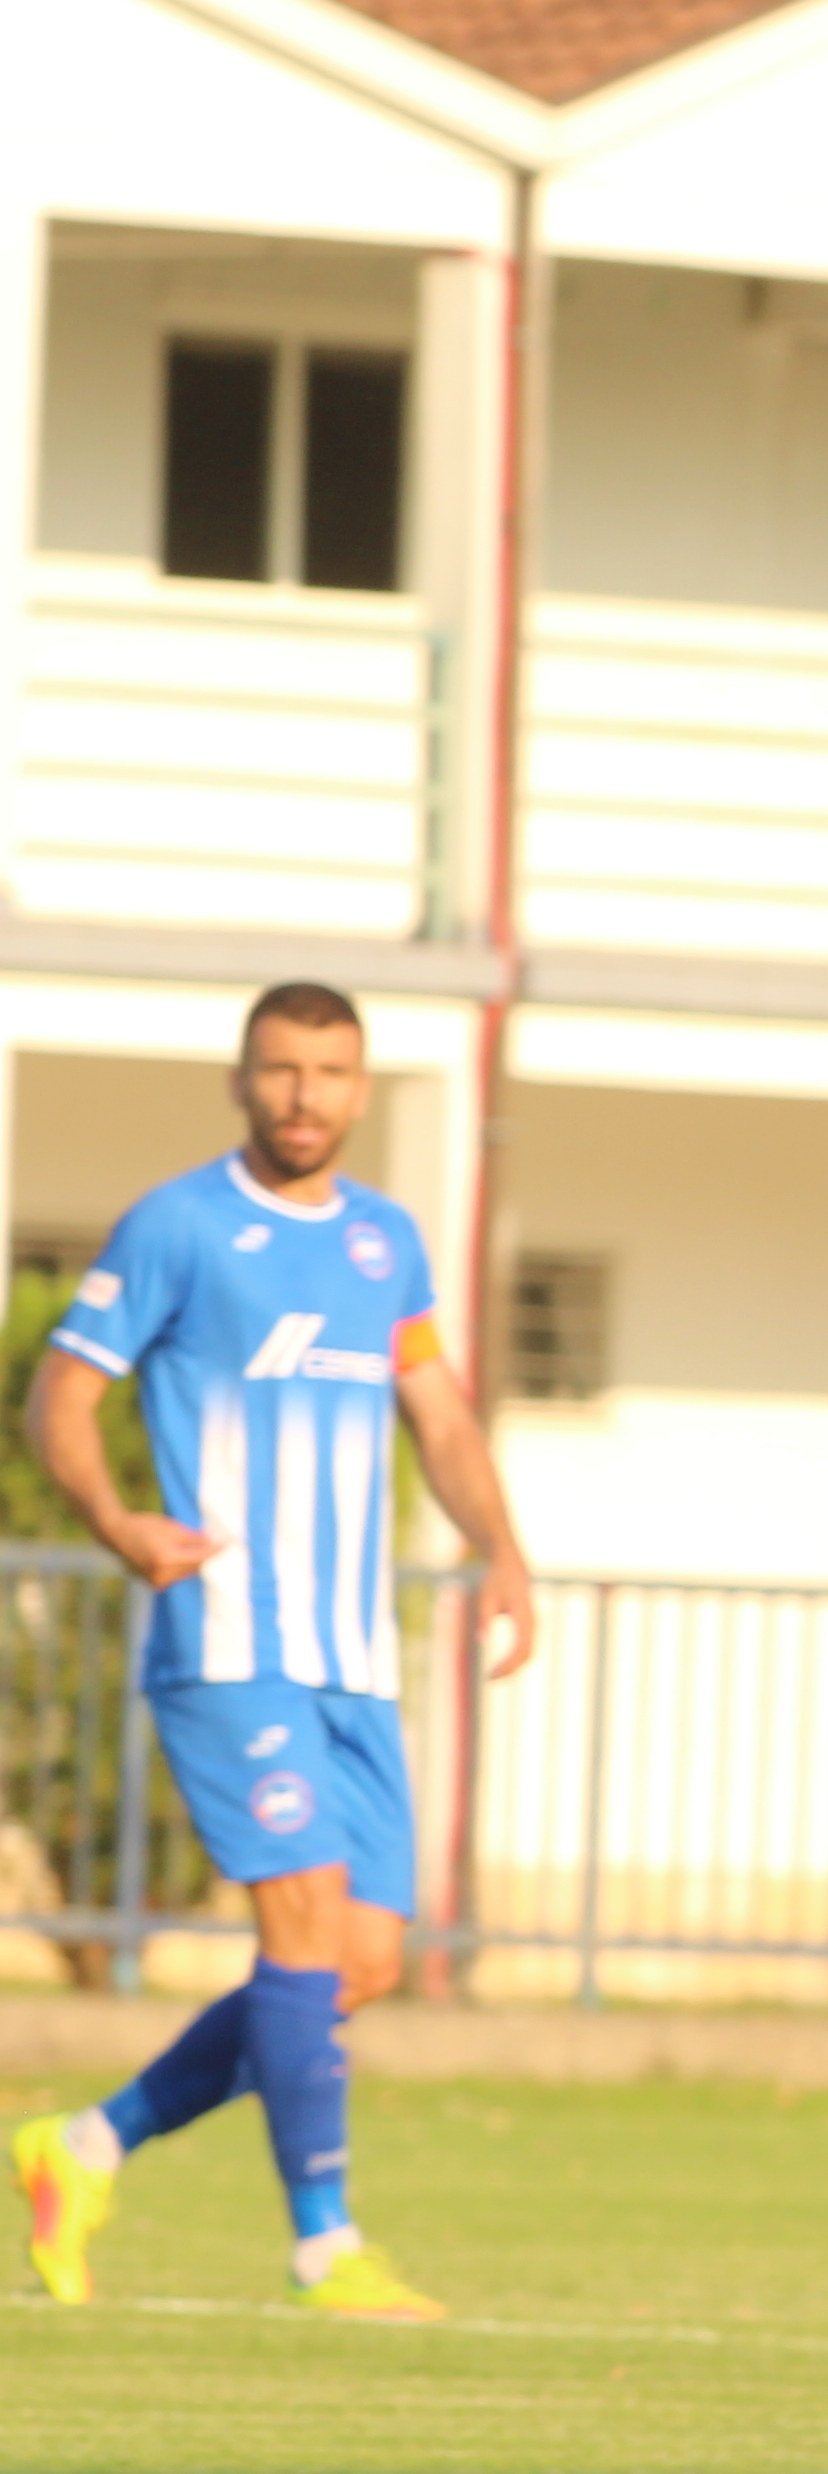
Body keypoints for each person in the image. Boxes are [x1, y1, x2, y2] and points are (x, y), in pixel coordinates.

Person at [10, 984, 535, 2321]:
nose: (306, 1095)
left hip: (350, 1653)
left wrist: (505, 1552)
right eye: (282, 1070)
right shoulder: (182, 1225)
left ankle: (80, 2148)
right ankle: (326, 2247)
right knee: (300, 1929)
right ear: (243, 1082)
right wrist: (120, 1520)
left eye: (331, 1072)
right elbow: (59, 1393)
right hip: (228, 1637)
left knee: (354, 1963)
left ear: (362, 1090)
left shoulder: (383, 1243)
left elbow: (444, 1417)